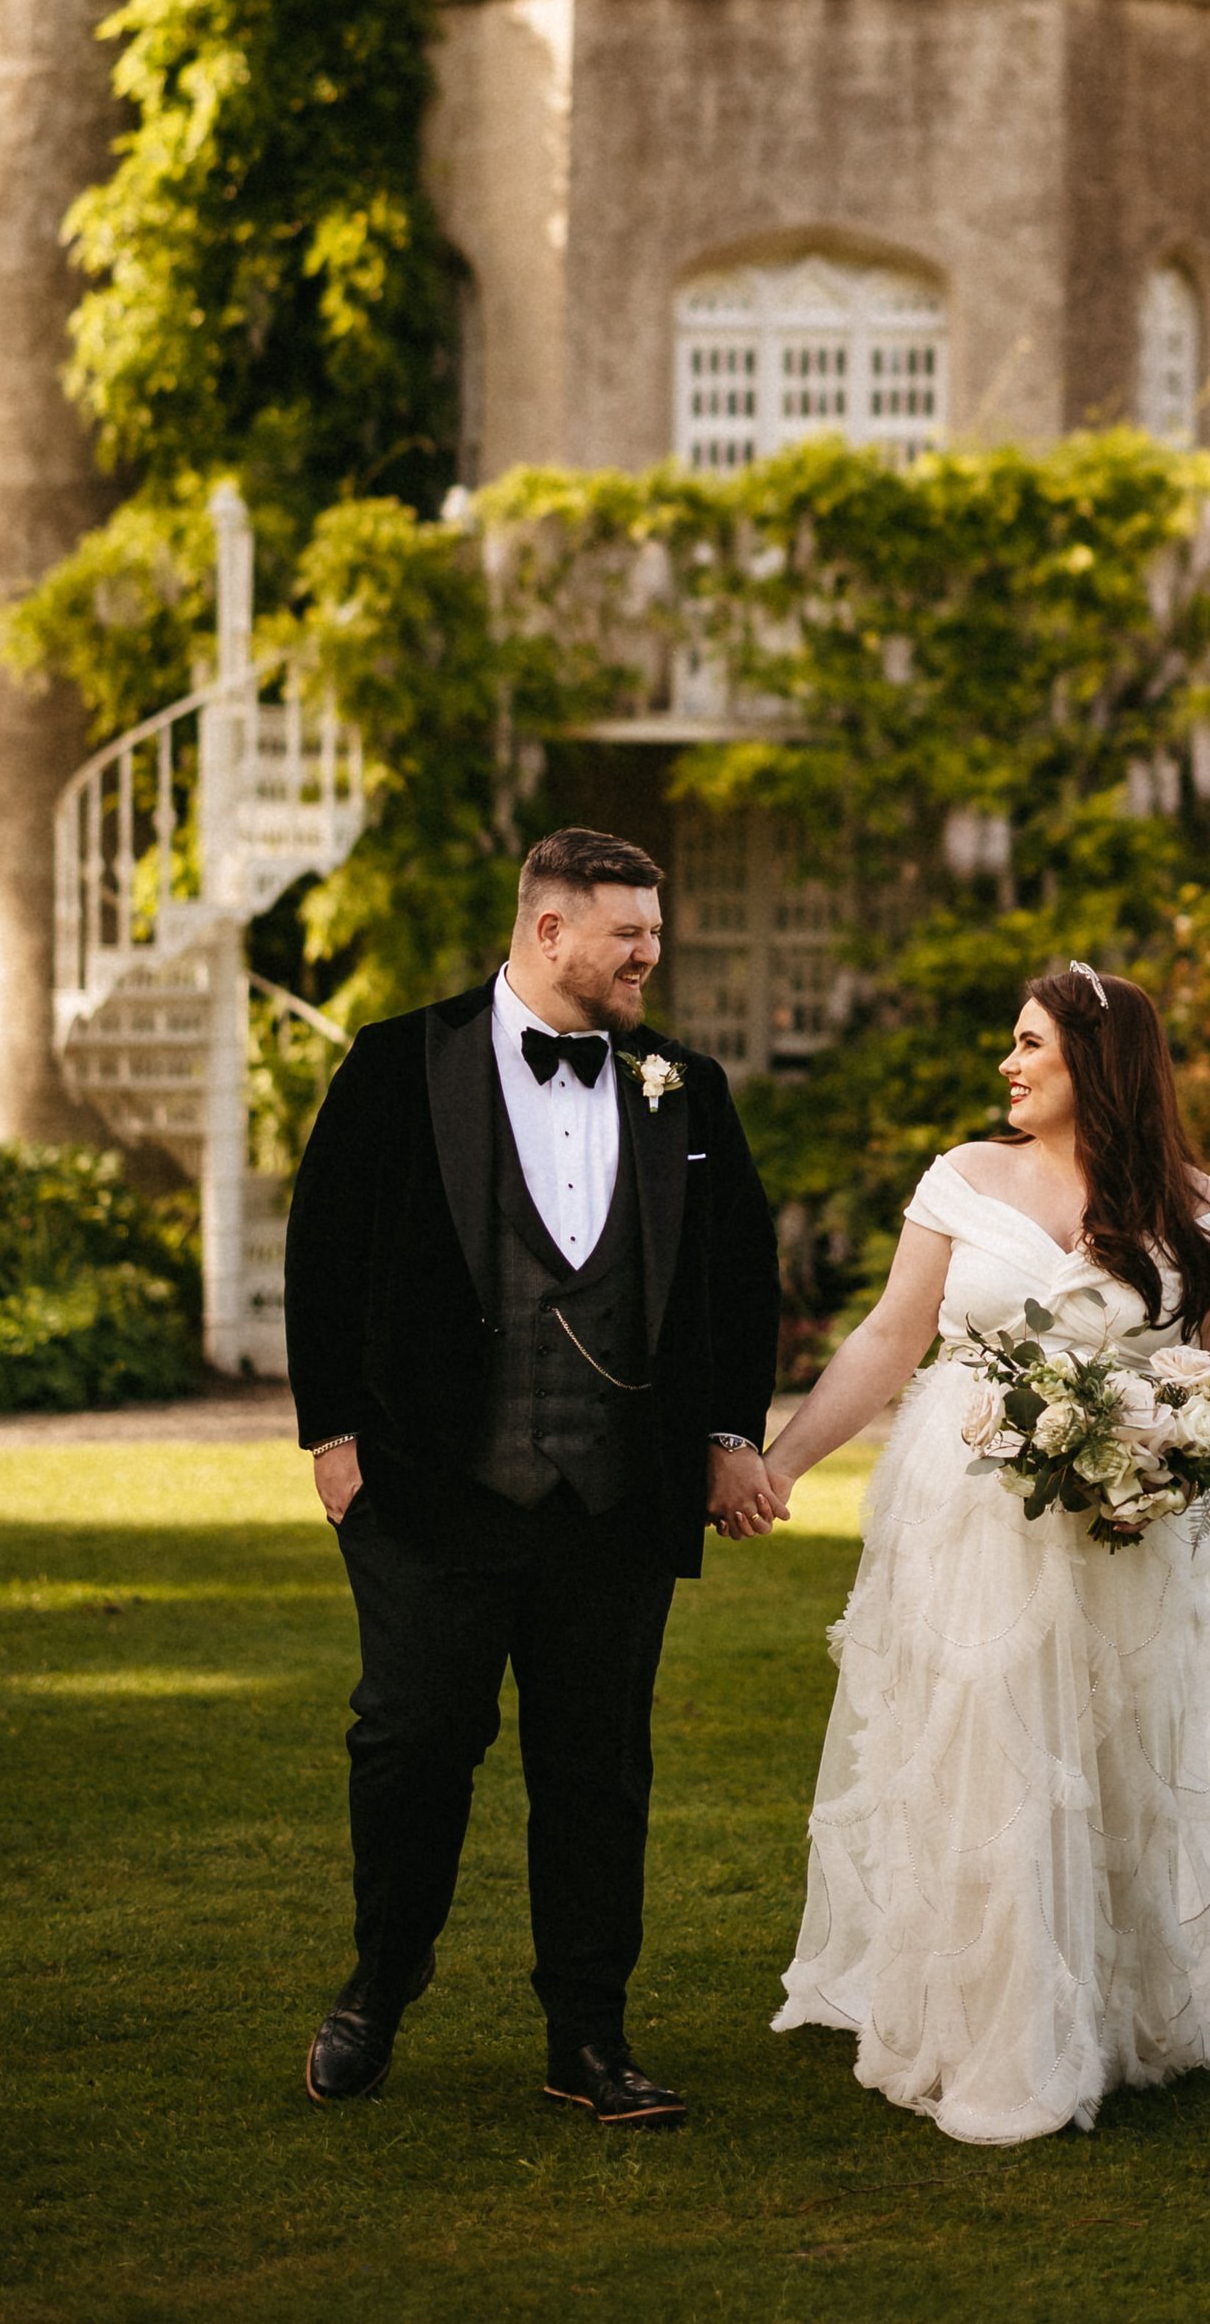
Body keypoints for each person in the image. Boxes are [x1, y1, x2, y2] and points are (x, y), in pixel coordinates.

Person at [760, 959, 1210, 2144]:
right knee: (985, 1753)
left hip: (1127, 1539)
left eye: (1030, 1042)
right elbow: (888, 1340)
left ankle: (1118, 2002)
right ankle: (992, 2014)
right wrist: (780, 1464)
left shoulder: (1205, 1215)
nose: (1009, 1063)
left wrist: (1168, 1453)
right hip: (966, 1524)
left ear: (1095, 1063)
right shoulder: (962, 1179)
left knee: (1114, 1756)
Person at [283, 826, 781, 2126]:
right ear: (550, 929)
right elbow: (324, 1244)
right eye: (631, 934)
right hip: (429, 1490)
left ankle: (589, 2039)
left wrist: (730, 1431)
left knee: (600, 1771)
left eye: (655, 934)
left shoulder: (686, 1085)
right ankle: (375, 1992)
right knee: (412, 1744)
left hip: (616, 1505)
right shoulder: (404, 1061)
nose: (649, 956)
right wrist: (330, 1436)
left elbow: (738, 1268)